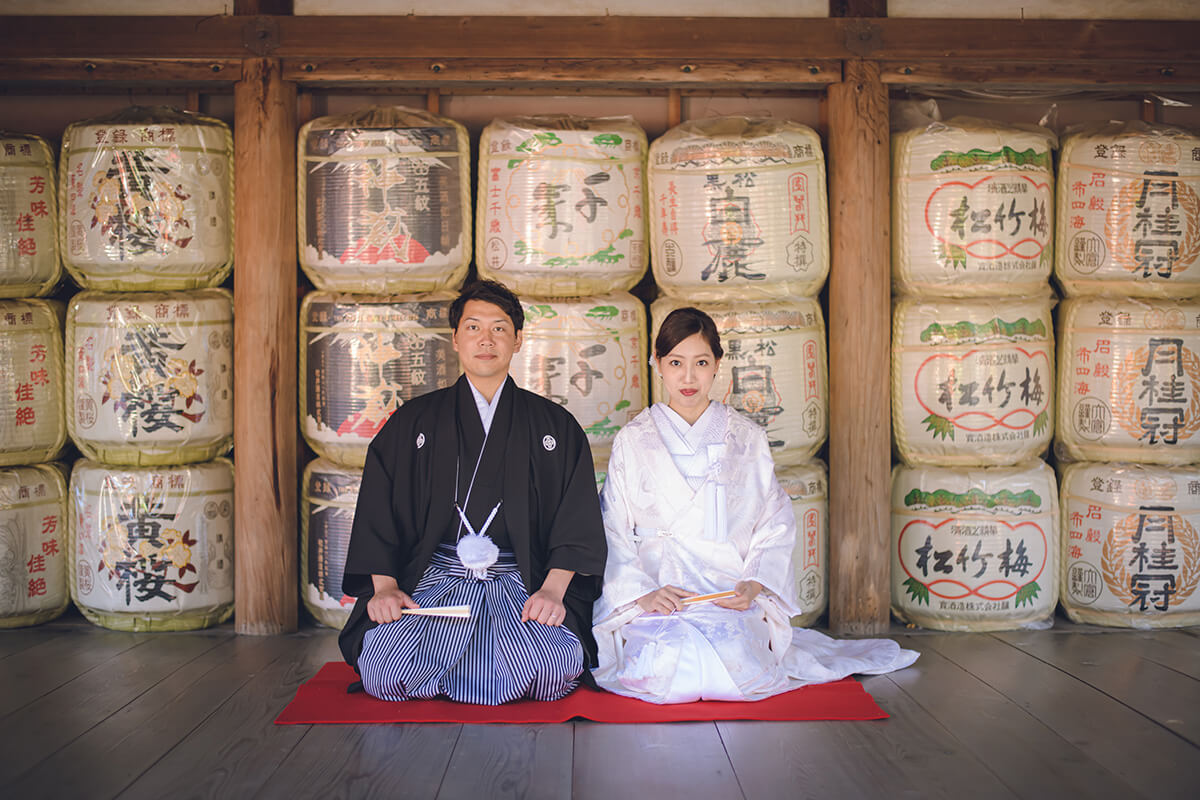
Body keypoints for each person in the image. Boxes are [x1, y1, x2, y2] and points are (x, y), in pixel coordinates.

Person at [592, 307, 917, 703]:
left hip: (727, 595)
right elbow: (613, 526)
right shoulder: (633, 439)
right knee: (664, 663)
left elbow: (773, 520)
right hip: (661, 598)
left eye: (701, 362)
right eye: (676, 362)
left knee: (733, 657)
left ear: (717, 366)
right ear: (656, 363)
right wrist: (640, 594)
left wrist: (754, 584)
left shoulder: (745, 437)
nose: (688, 377)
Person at [339, 279, 607, 705]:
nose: (487, 340)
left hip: (523, 581)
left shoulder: (554, 426)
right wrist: (386, 587)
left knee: (552, 668)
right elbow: (378, 510)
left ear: (518, 341)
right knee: (385, 670)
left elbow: (577, 520)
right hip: (433, 580)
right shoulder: (414, 422)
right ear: (455, 340)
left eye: (500, 329)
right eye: (474, 328)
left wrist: (554, 591)